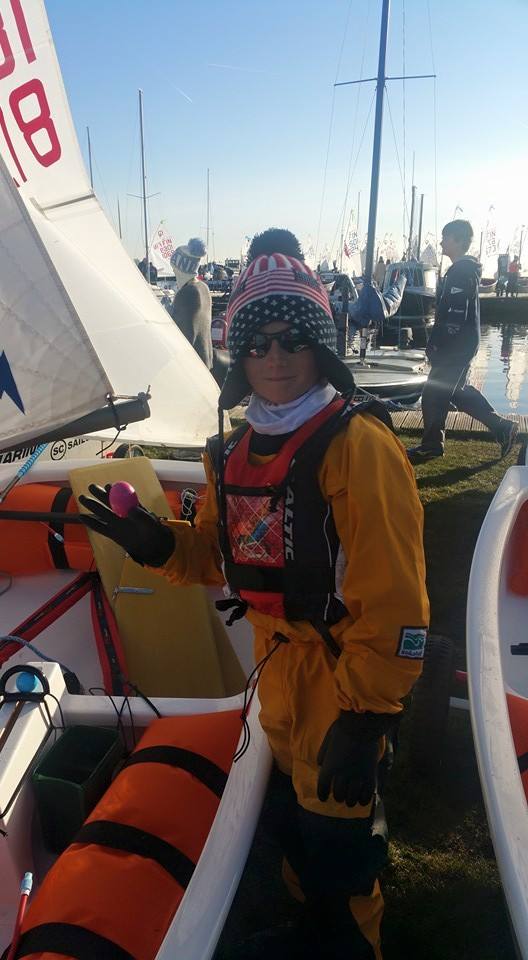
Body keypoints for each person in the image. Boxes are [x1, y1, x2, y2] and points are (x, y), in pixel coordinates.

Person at [79, 233, 429, 960]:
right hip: (276, 670)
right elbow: (221, 552)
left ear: (321, 347)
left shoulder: (358, 447)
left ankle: (352, 944)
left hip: (341, 677)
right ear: (237, 355)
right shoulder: (237, 450)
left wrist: (365, 718)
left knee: (341, 846)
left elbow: (395, 604)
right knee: (296, 826)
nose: (275, 357)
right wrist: (158, 543)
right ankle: (310, 929)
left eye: (293, 339)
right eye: (257, 342)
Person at [408, 220, 518, 463]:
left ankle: (431, 445)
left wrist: (437, 345)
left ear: (457, 240)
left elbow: (456, 315)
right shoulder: (463, 271)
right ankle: (502, 428)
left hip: (455, 347)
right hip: (463, 345)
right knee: (456, 391)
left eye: (445, 238)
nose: (441, 243)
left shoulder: (461, 272)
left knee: (433, 392)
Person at [170, 237, 213, 369]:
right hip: (206, 363)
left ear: (179, 268)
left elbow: (181, 338)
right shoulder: (203, 288)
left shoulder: (187, 294)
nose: (173, 271)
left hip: (192, 368)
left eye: (174, 268)